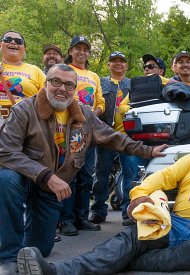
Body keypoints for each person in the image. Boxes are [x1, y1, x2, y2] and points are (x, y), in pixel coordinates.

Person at [16, 119, 190, 275]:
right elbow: (157, 179)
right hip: (173, 223)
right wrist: (139, 194)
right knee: (128, 239)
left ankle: (128, 262)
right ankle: (57, 271)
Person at [0, 64, 166, 274]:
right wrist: (47, 175)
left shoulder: (84, 116)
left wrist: (149, 151)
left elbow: (115, 138)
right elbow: (5, 151)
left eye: (69, 85)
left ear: (75, 89)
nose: (62, 88)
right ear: (46, 83)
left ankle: (16, 241)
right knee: (7, 179)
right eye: (56, 82)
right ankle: (7, 257)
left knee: (40, 249)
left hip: (48, 191)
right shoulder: (24, 109)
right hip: (28, 179)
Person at [59, 35, 105, 235]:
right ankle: (66, 220)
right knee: (70, 175)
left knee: (86, 176)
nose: (82, 52)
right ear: (70, 51)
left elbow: (101, 102)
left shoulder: (94, 76)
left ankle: (82, 218)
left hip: (88, 130)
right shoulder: (65, 71)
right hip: (69, 130)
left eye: (85, 49)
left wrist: (90, 116)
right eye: (78, 48)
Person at [91, 51, 137, 226]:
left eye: (122, 61)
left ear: (126, 65)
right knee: (101, 174)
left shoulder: (132, 84)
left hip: (128, 136)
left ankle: (128, 211)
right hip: (106, 135)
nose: (118, 64)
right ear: (108, 65)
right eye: (114, 61)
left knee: (129, 174)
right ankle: (98, 210)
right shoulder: (101, 83)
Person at [0, 31, 46, 119]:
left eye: (18, 41)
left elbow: (48, 96)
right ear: (0, 45)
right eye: (7, 39)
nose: (13, 42)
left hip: (25, 122)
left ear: (24, 49)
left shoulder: (35, 70)